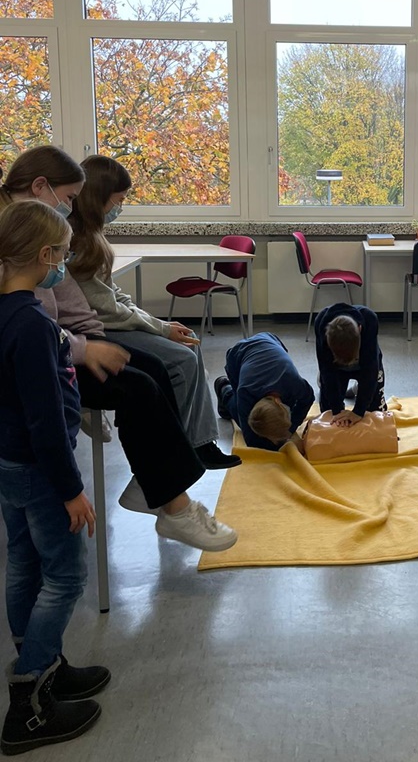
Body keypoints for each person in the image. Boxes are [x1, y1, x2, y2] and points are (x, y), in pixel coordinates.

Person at [0, 146, 239, 551]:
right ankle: (174, 505)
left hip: (63, 341)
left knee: (153, 369)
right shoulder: (21, 234)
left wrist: (94, 338)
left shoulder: (37, 225)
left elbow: (69, 299)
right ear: (40, 186)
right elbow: (27, 325)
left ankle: (155, 484)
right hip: (42, 354)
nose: (71, 206)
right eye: (69, 197)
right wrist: (84, 349)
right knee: (139, 387)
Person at [0, 200, 107, 753]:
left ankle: (44, 666)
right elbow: (45, 420)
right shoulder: (33, 324)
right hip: (42, 471)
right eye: (62, 255)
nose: (64, 265)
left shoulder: (6, 313)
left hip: (9, 465)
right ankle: (29, 701)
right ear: (45, 256)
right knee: (65, 577)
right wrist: (72, 491)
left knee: (23, 563)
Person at [67, 154, 240, 470]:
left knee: (189, 343)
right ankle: (182, 450)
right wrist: (159, 328)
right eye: (119, 200)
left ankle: (200, 442)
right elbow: (109, 311)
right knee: (182, 359)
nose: (120, 208)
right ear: (98, 197)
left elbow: (114, 295)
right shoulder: (76, 241)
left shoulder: (92, 236)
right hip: (98, 330)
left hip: (110, 322)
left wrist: (158, 323)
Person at [215, 332, 314, 450]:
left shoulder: (293, 382)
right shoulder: (245, 392)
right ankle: (224, 389)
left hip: (270, 341)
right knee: (241, 415)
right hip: (237, 355)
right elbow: (251, 440)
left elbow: (308, 399)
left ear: (278, 401)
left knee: (290, 407)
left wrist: (290, 428)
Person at [314, 303, 386, 426]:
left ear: (360, 329)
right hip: (335, 367)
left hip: (364, 362)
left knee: (375, 415)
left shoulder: (369, 320)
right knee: (328, 414)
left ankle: (357, 388)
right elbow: (326, 370)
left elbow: (371, 369)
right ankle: (350, 387)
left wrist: (358, 411)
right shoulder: (321, 323)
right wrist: (337, 410)